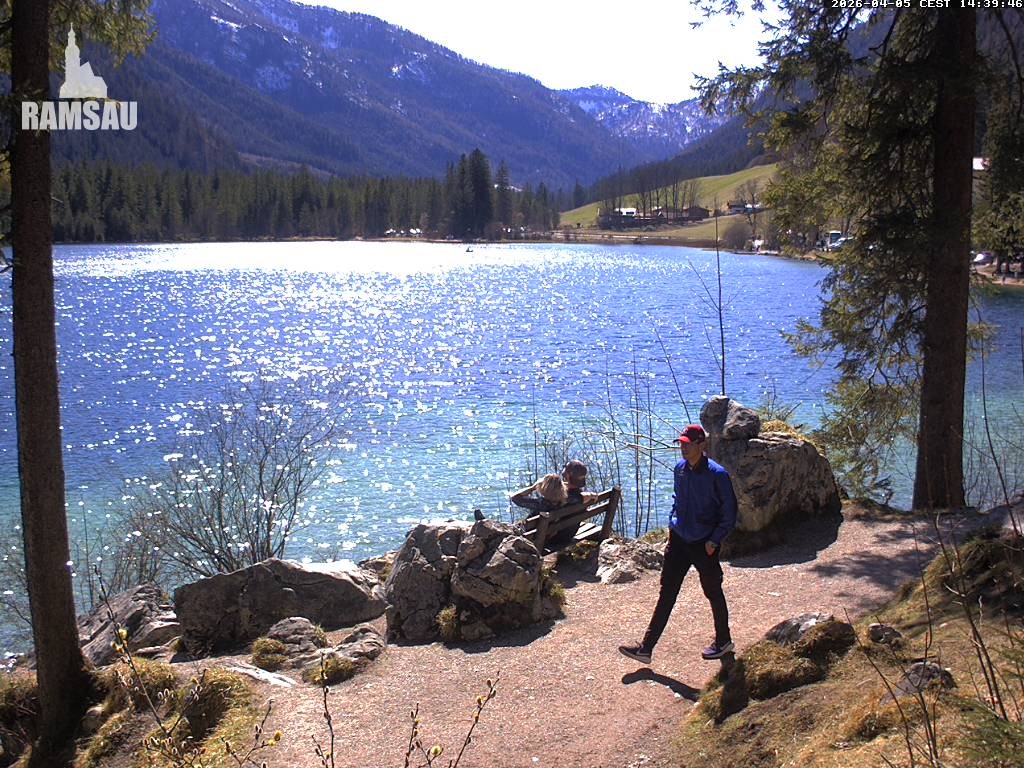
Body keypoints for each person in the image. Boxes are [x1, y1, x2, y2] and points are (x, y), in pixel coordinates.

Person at [619, 424, 737, 663]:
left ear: (701, 445)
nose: (683, 447)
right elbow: (677, 498)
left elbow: (730, 512)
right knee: (667, 593)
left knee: (713, 591)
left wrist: (714, 541)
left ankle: (723, 641)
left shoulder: (717, 474)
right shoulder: (680, 469)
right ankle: (646, 648)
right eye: (681, 443)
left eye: (687, 443)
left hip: (704, 544)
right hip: (678, 541)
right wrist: (673, 523)